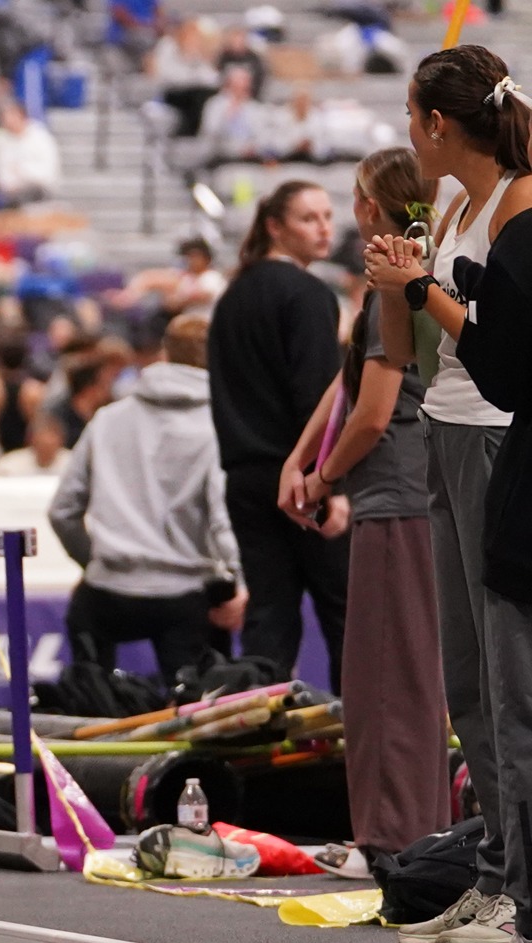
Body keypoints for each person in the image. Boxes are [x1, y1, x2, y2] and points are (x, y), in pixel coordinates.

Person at [362, 44, 532, 943]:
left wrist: (422, 286)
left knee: (510, 683)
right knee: (467, 678)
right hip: (449, 424)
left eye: (409, 118)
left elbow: (507, 346)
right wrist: (406, 281)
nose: (405, 137)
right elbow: (417, 338)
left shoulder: (516, 199)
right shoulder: (462, 202)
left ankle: (517, 895)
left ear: (437, 122)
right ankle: (496, 875)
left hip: (496, 436)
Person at [281, 147, 445, 877]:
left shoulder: (398, 281)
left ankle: (394, 839)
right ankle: (409, 834)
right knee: (401, 676)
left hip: (397, 497)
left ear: (369, 208)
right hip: (407, 494)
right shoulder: (406, 274)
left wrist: (321, 480)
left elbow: (373, 413)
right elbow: (354, 383)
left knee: (388, 680)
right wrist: (305, 457)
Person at [449, 129, 532, 943]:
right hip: (471, 436)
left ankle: (522, 905)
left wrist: (435, 293)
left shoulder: (517, 219)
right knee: (488, 693)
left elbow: (506, 374)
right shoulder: (478, 212)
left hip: (502, 460)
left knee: (517, 709)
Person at [207, 180, 346, 689]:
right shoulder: (306, 294)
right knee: (345, 614)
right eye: (309, 217)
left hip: (245, 477)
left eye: (328, 216)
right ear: (274, 226)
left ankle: (263, 746)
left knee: (269, 619)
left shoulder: (231, 295)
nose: (325, 227)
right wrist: (331, 482)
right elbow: (319, 397)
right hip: (302, 478)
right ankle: (356, 752)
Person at [51, 314, 243, 681]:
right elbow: (223, 520)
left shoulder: (107, 419)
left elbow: (63, 511)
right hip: (185, 596)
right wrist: (242, 583)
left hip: (105, 592)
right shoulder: (218, 426)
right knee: (199, 718)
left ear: (165, 354)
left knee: (91, 708)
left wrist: (96, 560)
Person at [0, 99, 61, 207]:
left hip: (39, 188)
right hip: (11, 190)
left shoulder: (40, 138)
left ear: (21, 116)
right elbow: (1, 169)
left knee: (27, 195)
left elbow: (49, 172)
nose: (8, 122)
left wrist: (22, 171)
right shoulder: (4, 140)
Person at [0, 414, 69, 476]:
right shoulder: (9, 465)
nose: (46, 443)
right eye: (41, 441)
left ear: (61, 440)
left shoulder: (71, 463)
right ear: (31, 440)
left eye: (52, 438)